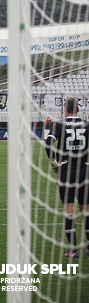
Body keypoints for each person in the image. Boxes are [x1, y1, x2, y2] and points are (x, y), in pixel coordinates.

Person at [45, 97, 89, 258]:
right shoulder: (86, 124)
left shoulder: (59, 125)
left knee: (69, 211)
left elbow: (49, 143)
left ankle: (74, 249)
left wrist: (54, 162)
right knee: (86, 210)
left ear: (65, 109)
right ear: (78, 109)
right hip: (83, 170)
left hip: (66, 171)